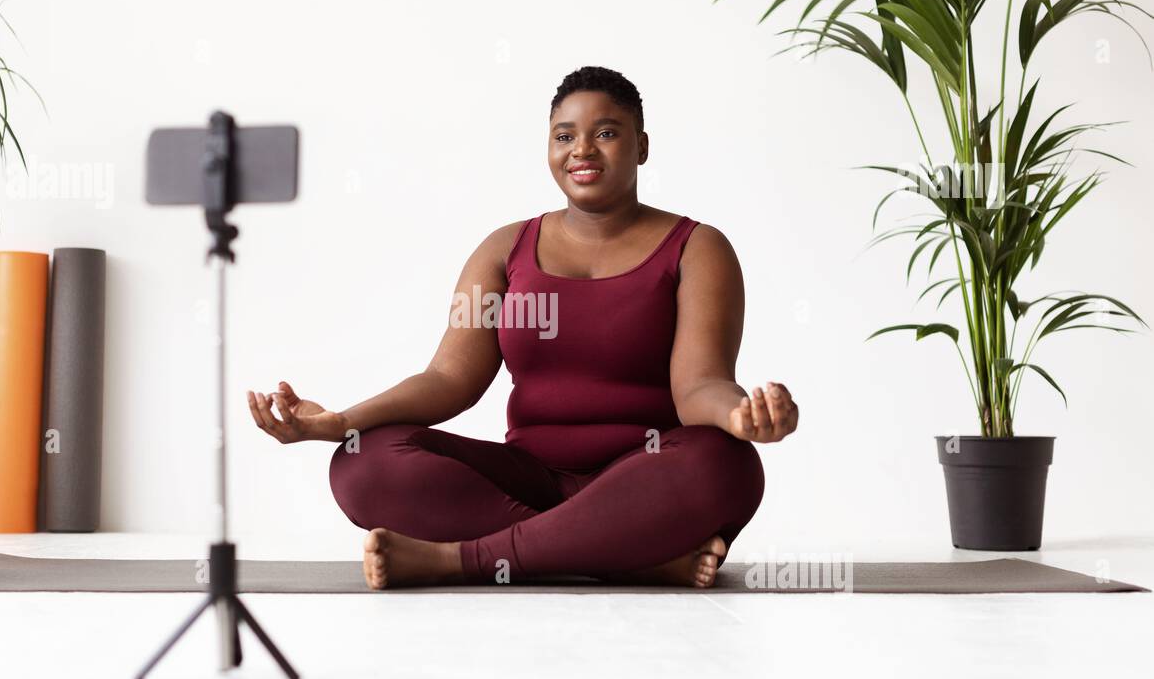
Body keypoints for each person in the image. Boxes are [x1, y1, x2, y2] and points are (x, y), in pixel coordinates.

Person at [247, 66, 798, 589]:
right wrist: (339, 421)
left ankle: (457, 561)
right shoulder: (503, 250)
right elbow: (447, 378)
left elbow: (698, 385)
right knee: (360, 461)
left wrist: (738, 415)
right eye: (564, 136)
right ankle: (624, 556)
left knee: (726, 464)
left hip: (648, 473)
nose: (582, 149)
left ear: (642, 146)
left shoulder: (698, 248)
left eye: (605, 132)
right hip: (528, 476)